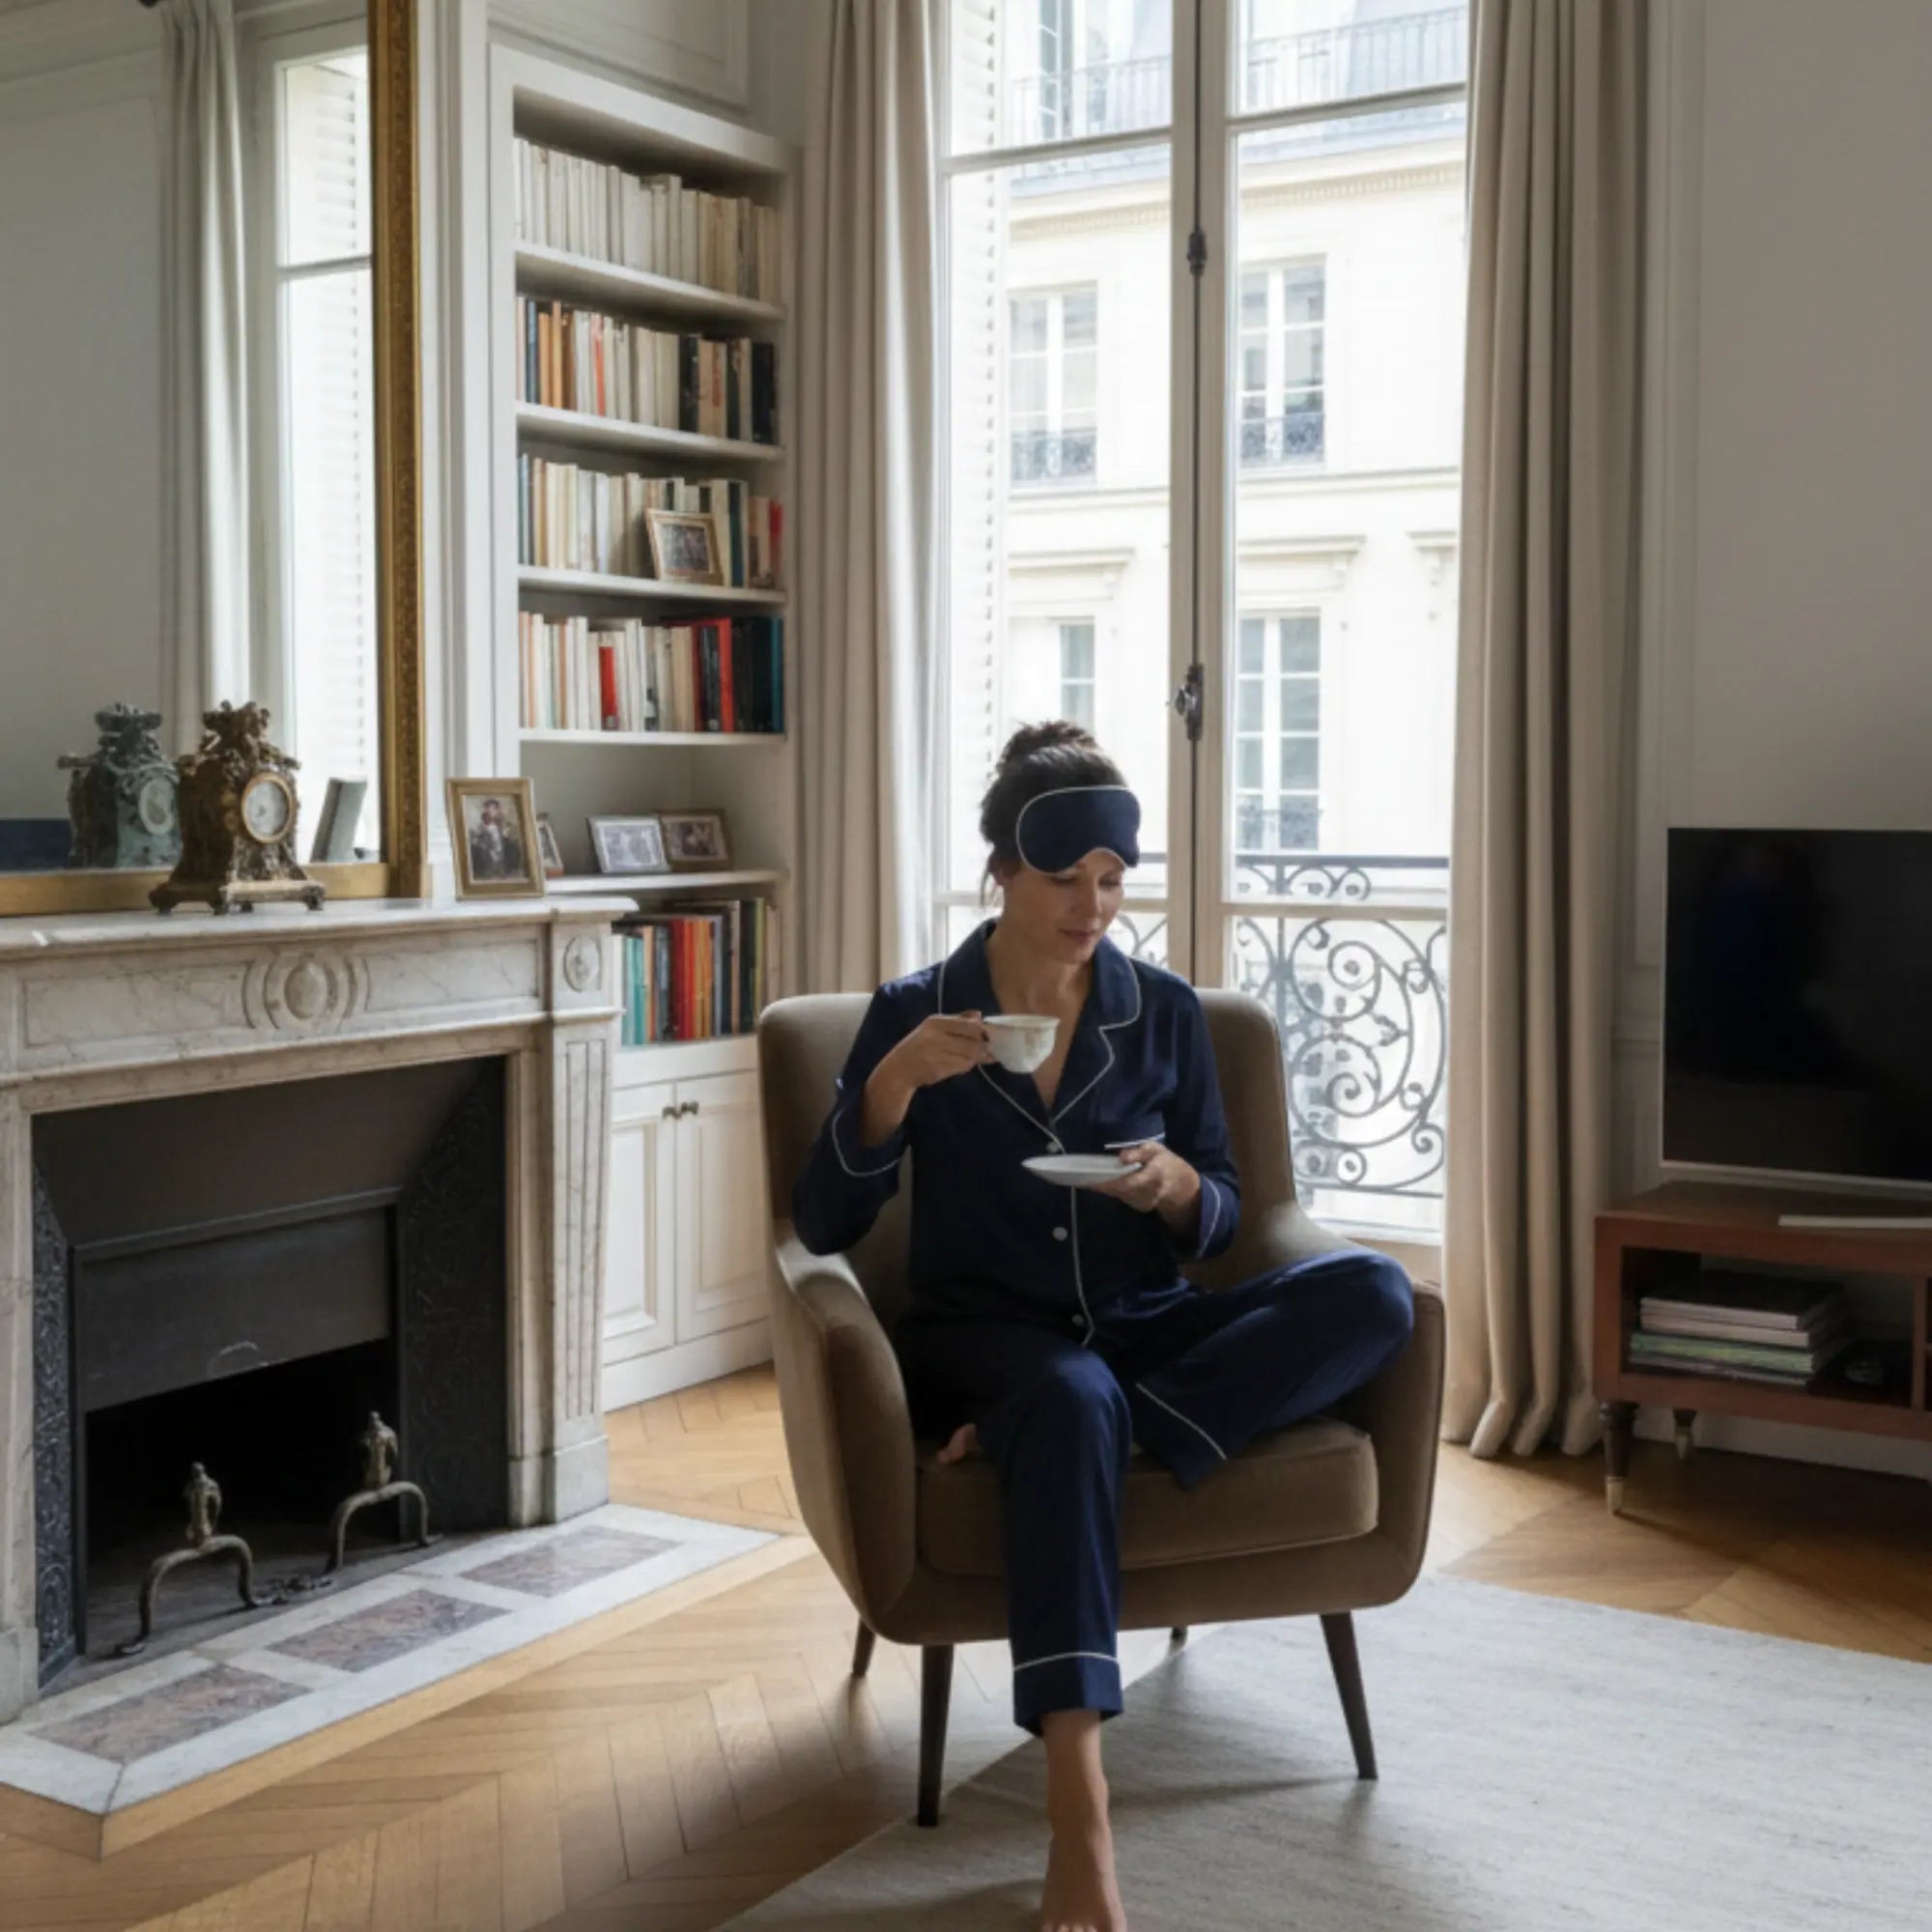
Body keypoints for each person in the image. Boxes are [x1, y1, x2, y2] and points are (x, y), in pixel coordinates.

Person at [792, 722, 1415, 1932]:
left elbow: (1229, 1212)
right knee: (1061, 1394)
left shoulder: (1165, 1013)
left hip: (1143, 1327)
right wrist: (888, 1086)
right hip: (984, 1339)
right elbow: (821, 1220)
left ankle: (1076, 1440)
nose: (1094, 906)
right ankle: (1079, 1811)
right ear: (1002, 871)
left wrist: (1180, 1189)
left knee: (1375, 1294)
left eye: (1113, 881)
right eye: (1068, 877)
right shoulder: (915, 1012)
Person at [469, 796, 524, 881]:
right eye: (487, 809)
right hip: (488, 863)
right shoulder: (481, 828)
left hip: (503, 863)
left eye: (492, 809)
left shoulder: (504, 826)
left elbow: (509, 843)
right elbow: (476, 842)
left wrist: (506, 836)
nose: (489, 811)